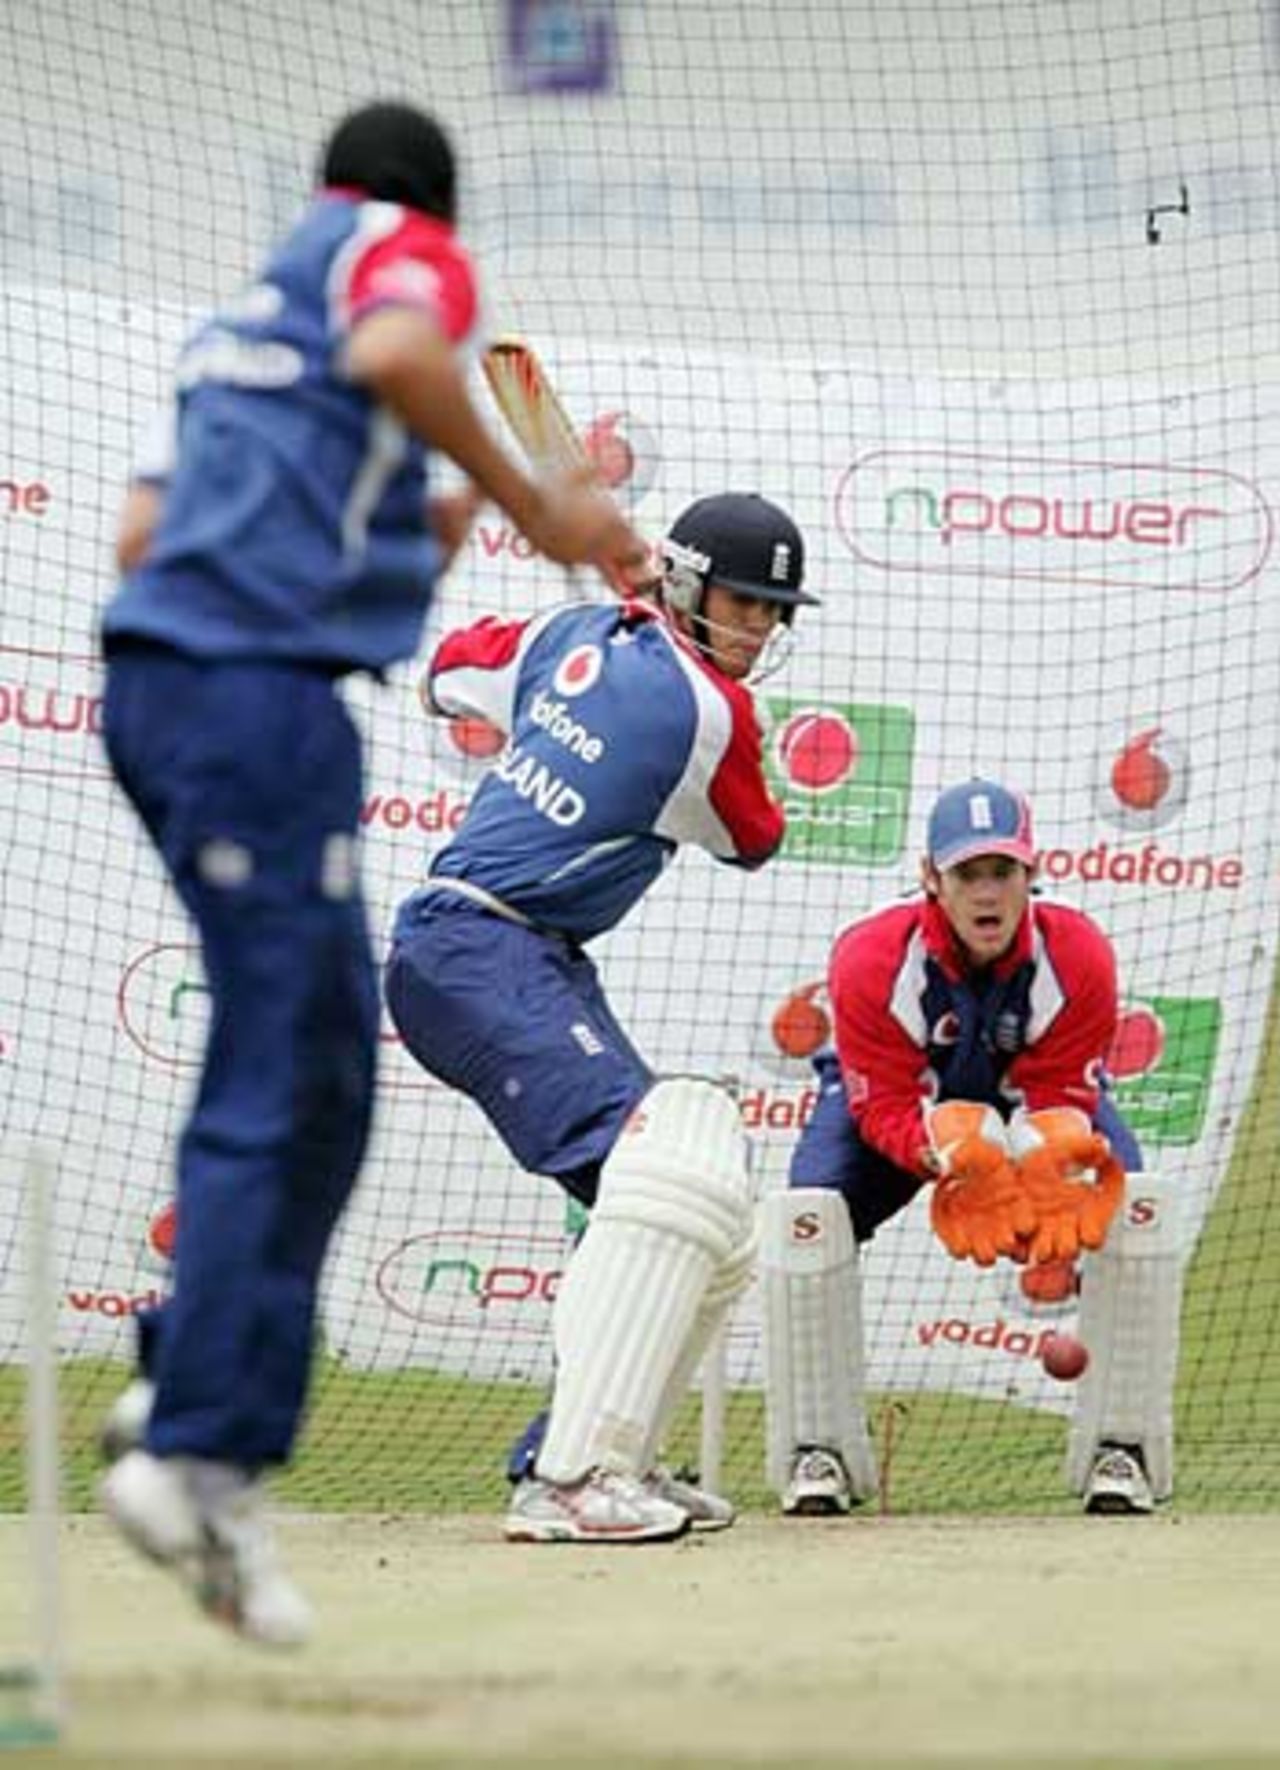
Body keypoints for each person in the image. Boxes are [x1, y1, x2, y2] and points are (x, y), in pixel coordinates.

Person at [96, 98, 645, 1647]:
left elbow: (151, 534)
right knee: (288, 1069)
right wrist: (547, 507)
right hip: (256, 705)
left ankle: (180, 1394)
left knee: (321, 1068)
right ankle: (199, 1440)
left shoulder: (229, 339)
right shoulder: (399, 253)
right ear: (430, 214)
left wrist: (469, 510)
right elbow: (402, 359)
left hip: (179, 697)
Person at [386, 491, 818, 1543]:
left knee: (704, 1215)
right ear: (680, 582)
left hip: (506, 958)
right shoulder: (709, 714)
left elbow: (447, 675)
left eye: (772, 611)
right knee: (669, 1165)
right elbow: (750, 838)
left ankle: (608, 1454)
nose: (756, 630)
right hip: (479, 947)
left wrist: (615, 635)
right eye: (740, 602)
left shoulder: (564, 633)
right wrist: (657, 659)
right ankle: (569, 1483)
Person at [762, 777, 1175, 1522]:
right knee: (808, 1219)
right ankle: (816, 1449)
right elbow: (881, 1102)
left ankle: (1124, 1447)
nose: (987, 893)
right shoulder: (868, 960)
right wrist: (943, 1156)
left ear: (1030, 874)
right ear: (931, 878)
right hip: (911, 1114)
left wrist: (1046, 1158)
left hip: (1027, 1102)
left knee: (1136, 1210)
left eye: (1003, 872)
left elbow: (1062, 1091)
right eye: (967, 875)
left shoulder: (1077, 954)